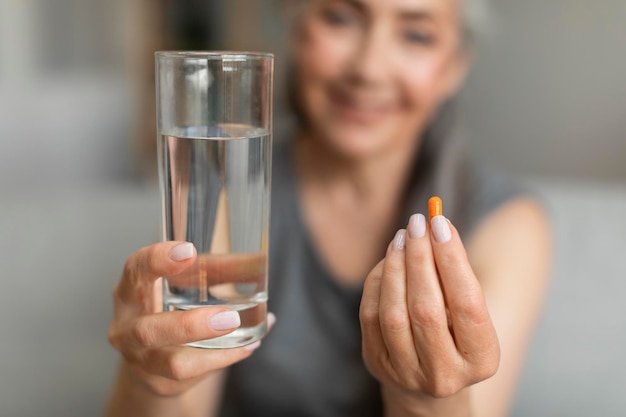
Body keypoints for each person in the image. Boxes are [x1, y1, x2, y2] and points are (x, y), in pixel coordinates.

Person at [106, 0, 551, 416]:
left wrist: (426, 403)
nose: (369, 69)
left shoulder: (505, 223)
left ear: (455, 66)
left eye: (416, 35)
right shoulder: (226, 182)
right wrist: (152, 381)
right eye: (340, 18)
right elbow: (183, 389)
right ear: (298, 27)